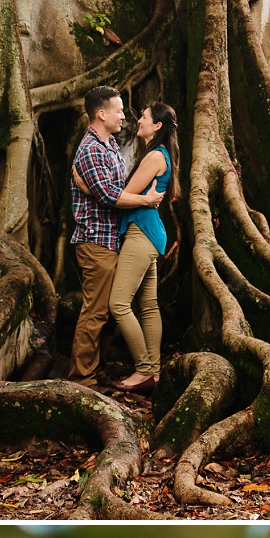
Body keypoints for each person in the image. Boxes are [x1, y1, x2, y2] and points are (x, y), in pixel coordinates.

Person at [109, 104, 179, 397]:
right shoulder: (161, 155)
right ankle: (155, 371)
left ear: (158, 126)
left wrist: (87, 188)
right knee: (148, 305)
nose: (139, 120)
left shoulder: (154, 156)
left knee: (118, 304)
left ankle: (144, 370)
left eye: (146, 117)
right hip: (150, 234)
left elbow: (122, 195)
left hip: (141, 234)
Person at [69, 84, 130, 381]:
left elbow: (118, 189)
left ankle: (97, 367)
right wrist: (144, 200)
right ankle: (82, 376)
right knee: (94, 312)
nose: (123, 116)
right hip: (96, 243)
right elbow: (108, 195)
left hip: (112, 241)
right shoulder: (92, 149)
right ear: (101, 113)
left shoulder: (111, 146)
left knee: (108, 310)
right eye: (118, 110)